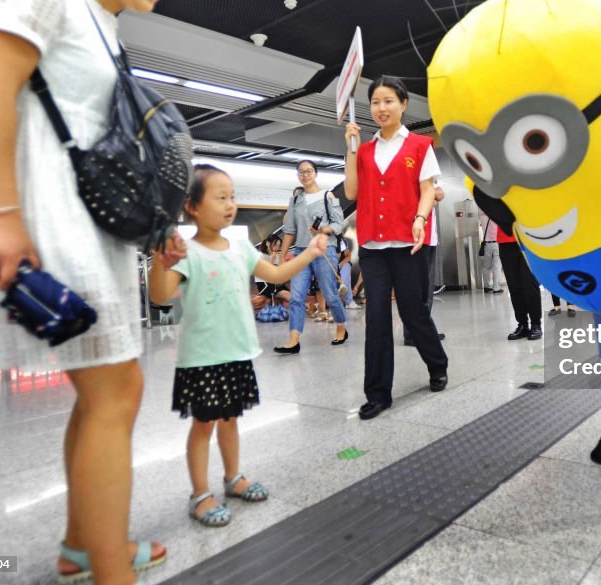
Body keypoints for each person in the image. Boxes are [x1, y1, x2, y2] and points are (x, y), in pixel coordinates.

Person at [0, 0, 183, 585]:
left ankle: (84, 545)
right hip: (41, 214)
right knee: (115, 390)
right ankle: (108, 568)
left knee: (109, 390)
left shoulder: (107, 25)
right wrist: (3, 215)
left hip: (84, 222)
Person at [149, 165, 327, 529]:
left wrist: (309, 254)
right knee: (203, 425)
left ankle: (232, 478)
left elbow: (275, 275)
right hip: (201, 358)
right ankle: (199, 494)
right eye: (220, 197)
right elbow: (161, 295)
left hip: (236, 352)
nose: (230, 204)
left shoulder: (241, 247)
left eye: (232, 196)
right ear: (192, 207)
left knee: (230, 419)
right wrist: (158, 260)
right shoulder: (187, 252)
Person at [343, 76, 449, 420]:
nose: (381, 108)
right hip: (373, 246)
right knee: (376, 318)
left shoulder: (420, 145)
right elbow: (351, 193)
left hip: (408, 244)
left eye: (388, 101)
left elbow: (427, 190)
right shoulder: (366, 149)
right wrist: (351, 150)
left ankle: (437, 364)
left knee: (414, 311)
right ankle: (377, 393)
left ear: (403, 104)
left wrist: (420, 218)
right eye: (375, 102)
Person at [274, 160, 348, 352]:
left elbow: (339, 224)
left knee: (330, 294)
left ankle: (341, 326)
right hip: (301, 252)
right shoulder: (296, 201)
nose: (305, 175)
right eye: (301, 172)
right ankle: (293, 339)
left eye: (308, 171)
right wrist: (282, 257)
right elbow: (289, 230)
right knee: (297, 297)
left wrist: (324, 229)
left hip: (324, 250)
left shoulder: (327, 196)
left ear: (315, 173)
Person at [403, 182, 447, 346]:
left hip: (430, 239)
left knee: (427, 290)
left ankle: (423, 330)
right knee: (417, 290)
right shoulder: (414, 175)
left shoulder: (431, 179)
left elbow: (440, 195)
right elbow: (427, 198)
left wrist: (431, 195)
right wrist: (430, 196)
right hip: (417, 239)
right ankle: (413, 334)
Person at [496, 221, 543, 340]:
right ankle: (522, 324)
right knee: (513, 286)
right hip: (505, 240)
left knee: (529, 283)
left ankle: (536, 324)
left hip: (527, 239)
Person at [478, 212, 504, 293]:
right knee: (497, 266)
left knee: (486, 266)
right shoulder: (496, 214)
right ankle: (496, 287)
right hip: (496, 243)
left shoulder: (481, 214)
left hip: (486, 244)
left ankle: (486, 286)